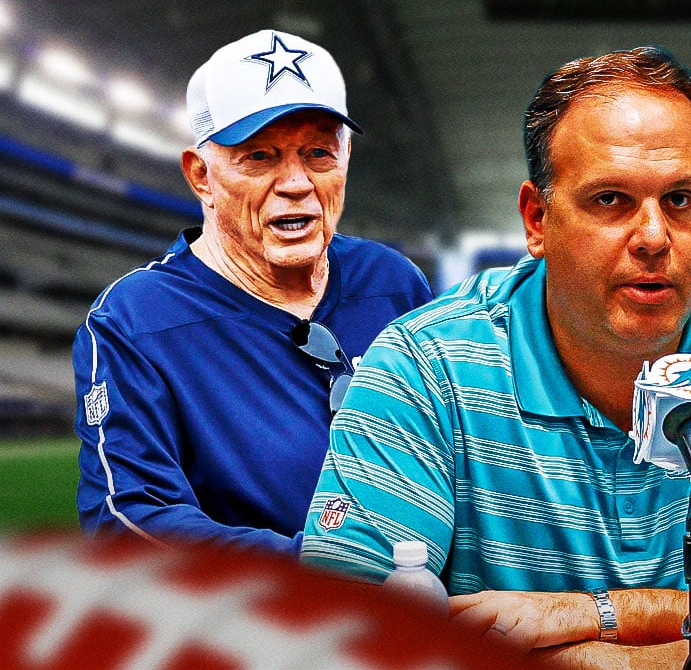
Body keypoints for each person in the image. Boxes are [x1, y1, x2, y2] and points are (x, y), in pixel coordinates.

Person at [301, 46, 691, 666]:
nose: (652, 238)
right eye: (610, 200)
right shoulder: (425, 366)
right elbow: (345, 635)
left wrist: (603, 628)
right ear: (537, 218)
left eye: (680, 200)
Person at [74, 30, 434, 554]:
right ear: (201, 176)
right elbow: (132, 519)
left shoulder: (392, 283)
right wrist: (335, 573)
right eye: (259, 156)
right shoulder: (135, 321)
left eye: (318, 153)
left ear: (347, 157)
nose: (295, 182)